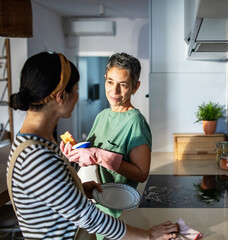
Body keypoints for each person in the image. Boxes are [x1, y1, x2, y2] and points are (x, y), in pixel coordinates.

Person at [7, 51, 178, 239]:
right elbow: (87, 217)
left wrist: (77, 188)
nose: (115, 90)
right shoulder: (37, 155)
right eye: (77, 88)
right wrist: (149, 235)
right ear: (61, 96)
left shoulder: (33, 144)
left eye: (123, 84)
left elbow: (52, 197)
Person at [61, 53, 152, 240]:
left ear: (136, 87)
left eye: (123, 84)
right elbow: (93, 154)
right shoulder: (102, 115)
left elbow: (141, 173)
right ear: (105, 80)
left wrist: (98, 155)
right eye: (110, 82)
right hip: (99, 209)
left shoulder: (136, 122)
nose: (114, 91)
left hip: (120, 213)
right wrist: (77, 152)